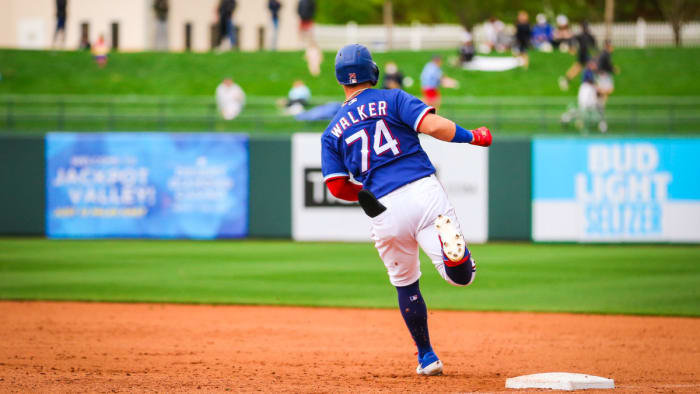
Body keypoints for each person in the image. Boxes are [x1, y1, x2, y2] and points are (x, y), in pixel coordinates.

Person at [322, 44, 492, 377]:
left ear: (340, 78)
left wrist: (364, 193)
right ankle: (455, 261)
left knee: (406, 284)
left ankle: (427, 356)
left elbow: (336, 186)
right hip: (422, 189)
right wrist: (473, 136)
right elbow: (433, 127)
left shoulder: (332, 131)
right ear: (373, 71)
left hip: (383, 208)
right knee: (461, 278)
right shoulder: (394, 98)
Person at [559, 21, 596, 91]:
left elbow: (571, 40)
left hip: (584, 54)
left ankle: (567, 79)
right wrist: (571, 49)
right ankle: (567, 79)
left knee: (580, 67)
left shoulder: (584, 36)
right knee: (580, 67)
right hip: (584, 54)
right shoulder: (587, 36)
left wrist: (571, 49)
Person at [596, 40, 617, 107]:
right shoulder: (606, 54)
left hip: (602, 74)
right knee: (608, 90)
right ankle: (600, 104)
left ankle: (600, 104)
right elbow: (607, 65)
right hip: (604, 74)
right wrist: (613, 69)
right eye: (611, 46)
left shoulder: (603, 53)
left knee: (606, 91)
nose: (612, 48)